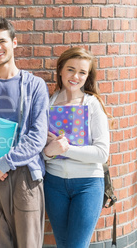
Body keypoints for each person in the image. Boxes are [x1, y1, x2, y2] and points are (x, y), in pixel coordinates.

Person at [0, 16, 49, 248]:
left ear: (14, 43)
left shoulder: (34, 86)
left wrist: (3, 164)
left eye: (2, 41)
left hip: (25, 177)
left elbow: (38, 136)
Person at [42, 47, 110, 248]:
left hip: (87, 185)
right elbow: (41, 150)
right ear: (60, 70)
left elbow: (102, 153)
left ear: (88, 76)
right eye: (71, 69)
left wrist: (65, 149)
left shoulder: (92, 104)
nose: (75, 76)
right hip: (54, 185)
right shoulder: (48, 104)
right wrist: (48, 152)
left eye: (82, 72)